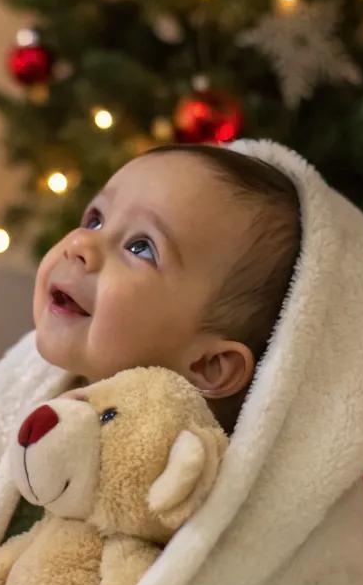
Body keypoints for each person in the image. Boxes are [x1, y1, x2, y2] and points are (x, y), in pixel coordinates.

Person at [33, 143, 301, 434]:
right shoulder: (34, 384)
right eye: (96, 221)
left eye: (141, 247)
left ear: (209, 365)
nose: (79, 243)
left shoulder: (175, 459)